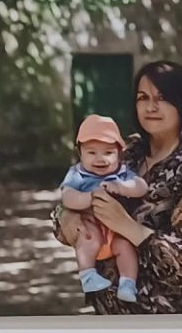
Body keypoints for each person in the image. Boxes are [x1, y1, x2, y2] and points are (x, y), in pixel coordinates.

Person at [98, 61, 182, 315]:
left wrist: (126, 226)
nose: (151, 107)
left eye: (162, 98)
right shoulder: (127, 153)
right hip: (112, 319)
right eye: (143, 97)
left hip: (171, 320)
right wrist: (65, 219)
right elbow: (78, 191)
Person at [54, 114, 151, 305]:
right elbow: (68, 197)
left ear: (119, 153)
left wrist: (124, 188)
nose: (100, 159)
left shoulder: (121, 174)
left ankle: (127, 284)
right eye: (91, 153)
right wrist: (88, 198)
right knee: (88, 238)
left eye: (108, 153)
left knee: (125, 247)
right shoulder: (77, 174)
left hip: (116, 232)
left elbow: (142, 186)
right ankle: (88, 276)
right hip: (91, 227)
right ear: (80, 152)